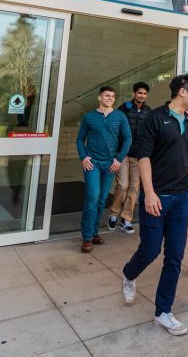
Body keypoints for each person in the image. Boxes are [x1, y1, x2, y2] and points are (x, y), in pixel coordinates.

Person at [121, 74, 188, 336]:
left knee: (175, 255)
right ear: (182, 92)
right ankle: (128, 274)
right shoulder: (155, 118)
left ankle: (163, 312)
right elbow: (143, 157)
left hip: (181, 199)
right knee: (150, 250)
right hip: (157, 196)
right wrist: (149, 193)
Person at [76, 86, 131, 252]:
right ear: (100, 97)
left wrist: (119, 159)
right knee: (92, 196)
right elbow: (80, 139)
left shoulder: (120, 116)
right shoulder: (89, 117)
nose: (110, 98)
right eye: (107, 95)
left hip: (110, 164)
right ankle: (86, 238)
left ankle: (94, 233)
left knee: (101, 200)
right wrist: (83, 157)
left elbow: (128, 138)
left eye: (113, 96)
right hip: (92, 163)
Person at [108, 81, 152, 234]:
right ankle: (114, 214)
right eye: (139, 93)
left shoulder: (149, 112)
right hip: (123, 154)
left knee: (135, 188)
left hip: (139, 156)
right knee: (123, 185)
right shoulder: (124, 109)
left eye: (145, 93)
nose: (142, 96)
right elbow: (115, 129)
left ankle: (126, 219)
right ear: (134, 94)